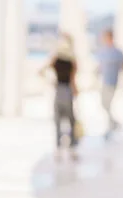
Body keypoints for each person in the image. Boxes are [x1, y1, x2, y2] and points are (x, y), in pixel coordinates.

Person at [41, 33, 79, 162]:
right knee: (70, 120)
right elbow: (73, 81)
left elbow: (41, 71)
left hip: (58, 91)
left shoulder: (56, 58)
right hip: (67, 91)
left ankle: (58, 148)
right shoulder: (72, 60)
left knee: (58, 120)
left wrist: (51, 82)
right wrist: (75, 92)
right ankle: (72, 148)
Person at [96, 29, 123, 139]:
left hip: (112, 82)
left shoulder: (118, 52)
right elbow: (100, 67)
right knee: (104, 104)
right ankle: (113, 123)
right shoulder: (102, 52)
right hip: (104, 82)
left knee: (107, 104)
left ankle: (110, 127)